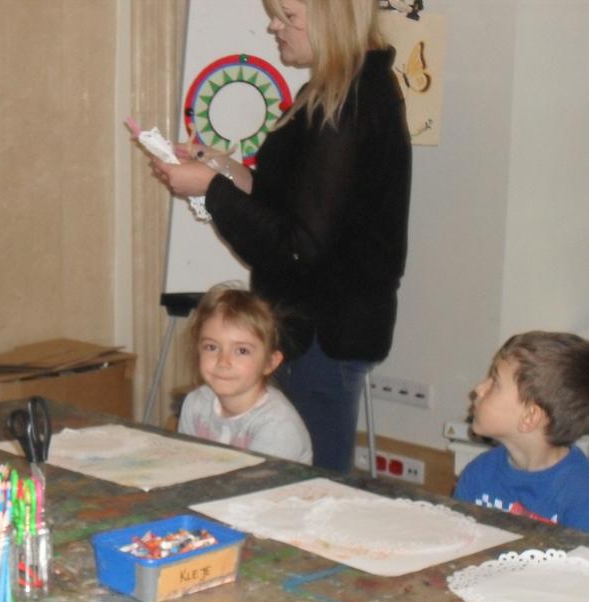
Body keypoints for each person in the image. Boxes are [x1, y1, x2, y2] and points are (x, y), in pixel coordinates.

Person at [153, 0, 411, 472]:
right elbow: (292, 202)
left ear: (333, 17)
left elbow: (298, 245)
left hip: (324, 332)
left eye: (288, 16)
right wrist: (221, 168)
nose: (274, 26)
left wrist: (211, 189)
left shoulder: (348, 102)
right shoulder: (332, 90)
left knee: (309, 488)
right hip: (310, 327)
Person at [454, 332, 589, 534]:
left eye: (495, 382)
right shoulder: (479, 473)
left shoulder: (587, 500)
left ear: (529, 417)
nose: (479, 389)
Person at [178, 284, 313, 464]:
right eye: (211, 347)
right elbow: (184, 466)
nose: (223, 361)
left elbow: (257, 483)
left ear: (270, 363)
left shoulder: (278, 426)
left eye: (242, 351)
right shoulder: (195, 404)